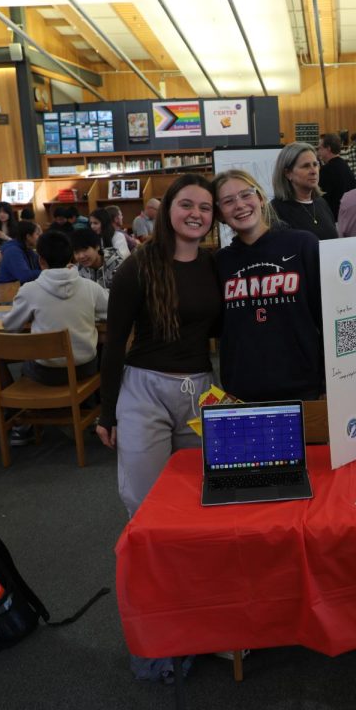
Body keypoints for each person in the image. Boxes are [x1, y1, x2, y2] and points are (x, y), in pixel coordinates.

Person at [96, 174, 221, 517]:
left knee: (200, 491)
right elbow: (115, 343)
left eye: (205, 207)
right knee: (145, 497)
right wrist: (108, 411)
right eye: (186, 205)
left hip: (199, 390)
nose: (196, 213)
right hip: (144, 390)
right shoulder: (137, 266)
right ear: (167, 211)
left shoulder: (214, 265)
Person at [213, 169, 323, 401]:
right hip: (243, 391)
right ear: (220, 214)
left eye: (246, 195)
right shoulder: (220, 262)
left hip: (304, 387)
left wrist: (328, 382)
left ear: (261, 199)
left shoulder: (303, 244)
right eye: (228, 201)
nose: (240, 205)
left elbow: (326, 317)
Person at [2, 229, 108, 386]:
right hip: (86, 368)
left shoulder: (29, 290)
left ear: (41, 260)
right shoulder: (91, 287)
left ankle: (20, 408)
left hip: (47, 372)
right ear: (72, 257)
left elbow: (10, 326)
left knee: (24, 365)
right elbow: (111, 312)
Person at [270, 141, 338, 240]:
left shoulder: (321, 203)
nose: (313, 171)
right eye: (306, 166)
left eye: (315, 165)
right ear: (288, 173)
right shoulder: (275, 210)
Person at [316, 133, 356, 220]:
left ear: (328, 149)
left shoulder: (326, 170)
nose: (318, 152)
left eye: (320, 148)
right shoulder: (345, 166)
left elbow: (322, 198)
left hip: (334, 217)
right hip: (348, 215)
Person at [0, 220, 42, 285]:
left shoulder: (28, 249)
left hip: (21, 287)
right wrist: (46, 272)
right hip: (7, 289)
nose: (39, 237)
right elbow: (24, 276)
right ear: (28, 236)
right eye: (37, 234)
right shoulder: (12, 251)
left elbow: (40, 266)